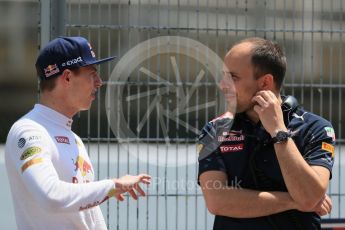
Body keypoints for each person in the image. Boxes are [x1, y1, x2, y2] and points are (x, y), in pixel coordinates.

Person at [5, 36, 151, 230]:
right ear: (67, 77)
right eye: (92, 74)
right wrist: (111, 186)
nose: (99, 82)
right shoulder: (29, 131)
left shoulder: (73, 139)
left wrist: (108, 188)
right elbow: (50, 196)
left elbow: (86, 216)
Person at [198, 37, 335, 230]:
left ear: (265, 83)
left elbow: (309, 197)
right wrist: (293, 201)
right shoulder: (216, 130)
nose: (222, 85)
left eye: (233, 77)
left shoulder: (315, 128)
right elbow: (217, 201)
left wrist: (278, 132)